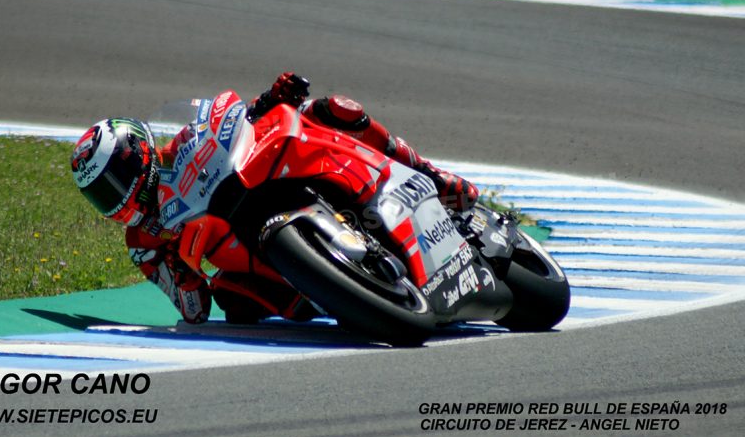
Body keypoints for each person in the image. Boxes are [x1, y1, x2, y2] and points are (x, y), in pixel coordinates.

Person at [70, 73, 479, 324]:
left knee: (332, 109)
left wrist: (272, 97)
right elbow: (193, 309)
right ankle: (334, 293)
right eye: (101, 194)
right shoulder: (143, 244)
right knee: (234, 302)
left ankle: (429, 174)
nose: (116, 197)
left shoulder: (180, 146)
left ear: (138, 154)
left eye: (115, 180)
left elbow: (236, 122)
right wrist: (178, 272)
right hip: (249, 255)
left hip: (256, 185)